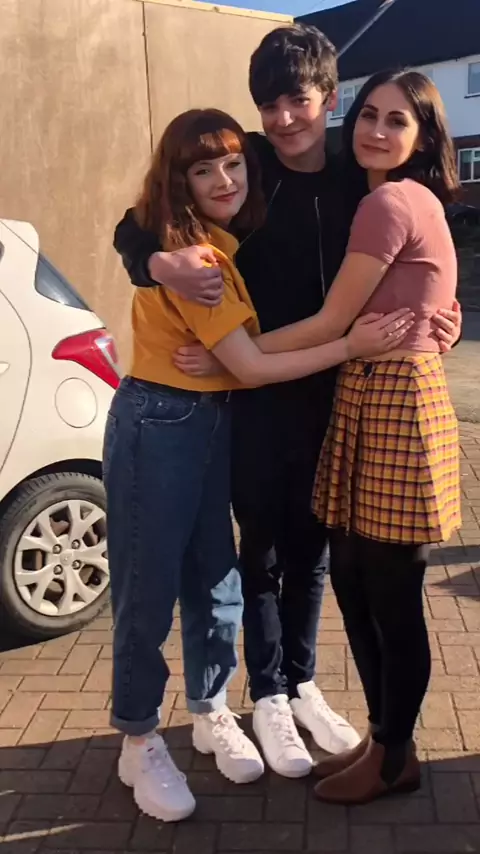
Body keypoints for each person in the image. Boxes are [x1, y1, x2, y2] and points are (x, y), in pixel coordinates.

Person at [112, 24, 462, 777]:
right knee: (261, 550)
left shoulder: (358, 169)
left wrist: (442, 315)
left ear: (328, 98)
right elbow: (136, 224)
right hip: (257, 393)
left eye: (297, 101)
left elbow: (418, 254)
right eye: (268, 105)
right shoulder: (243, 161)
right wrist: (159, 262)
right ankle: (267, 692)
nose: (282, 119)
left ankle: (302, 683)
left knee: (314, 553)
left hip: (338, 393)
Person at [248, 69, 462, 805]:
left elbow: (333, 322)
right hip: (371, 397)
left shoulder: (390, 202)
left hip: (394, 400)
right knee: (354, 581)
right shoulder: (395, 198)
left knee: (389, 595)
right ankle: (383, 737)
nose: (375, 130)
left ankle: (395, 756)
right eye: (369, 114)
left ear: (423, 138)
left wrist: (235, 354)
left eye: (397, 121)